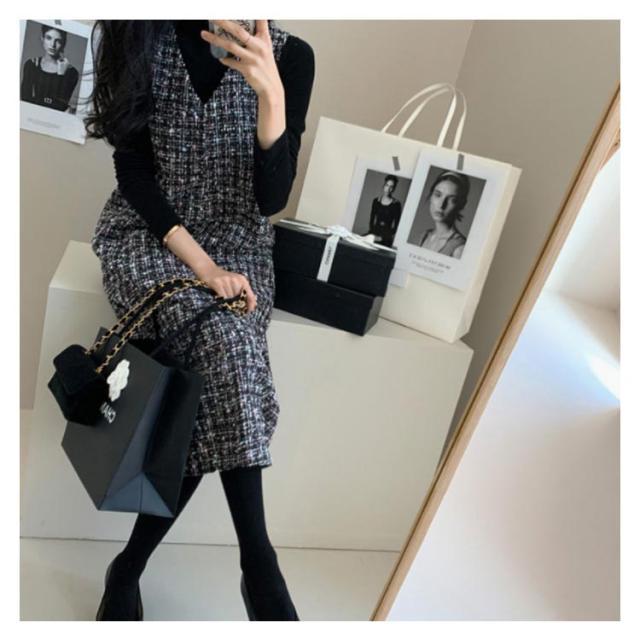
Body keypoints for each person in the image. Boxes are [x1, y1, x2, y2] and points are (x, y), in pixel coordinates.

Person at [85, 19, 314, 621]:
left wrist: (270, 94)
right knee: (224, 343)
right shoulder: (141, 37)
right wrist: (204, 268)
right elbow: (134, 176)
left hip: (240, 243)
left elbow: (270, 201)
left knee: (215, 369)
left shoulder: (292, 56)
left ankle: (128, 567)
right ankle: (259, 564)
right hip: (151, 237)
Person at [21, 24, 79, 112]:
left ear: (63, 43)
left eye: (58, 41)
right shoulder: (31, 64)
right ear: (42, 38)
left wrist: (61, 75)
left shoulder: (72, 72)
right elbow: (25, 100)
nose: (53, 44)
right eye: (49, 38)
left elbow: (60, 105)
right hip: (32, 115)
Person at [419, 170, 469, 259]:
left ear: (461, 204)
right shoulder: (425, 236)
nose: (441, 205)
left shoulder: (460, 249)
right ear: (431, 196)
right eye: (438, 195)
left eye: (452, 200)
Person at [367, 174, 402, 248]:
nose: (388, 189)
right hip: (374, 233)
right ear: (383, 186)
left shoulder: (396, 204)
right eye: (387, 185)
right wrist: (373, 235)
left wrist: (382, 238)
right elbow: (371, 221)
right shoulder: (376, 201)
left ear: (394, 189)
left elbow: (396, 227)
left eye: (391, 187)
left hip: (386, 238)